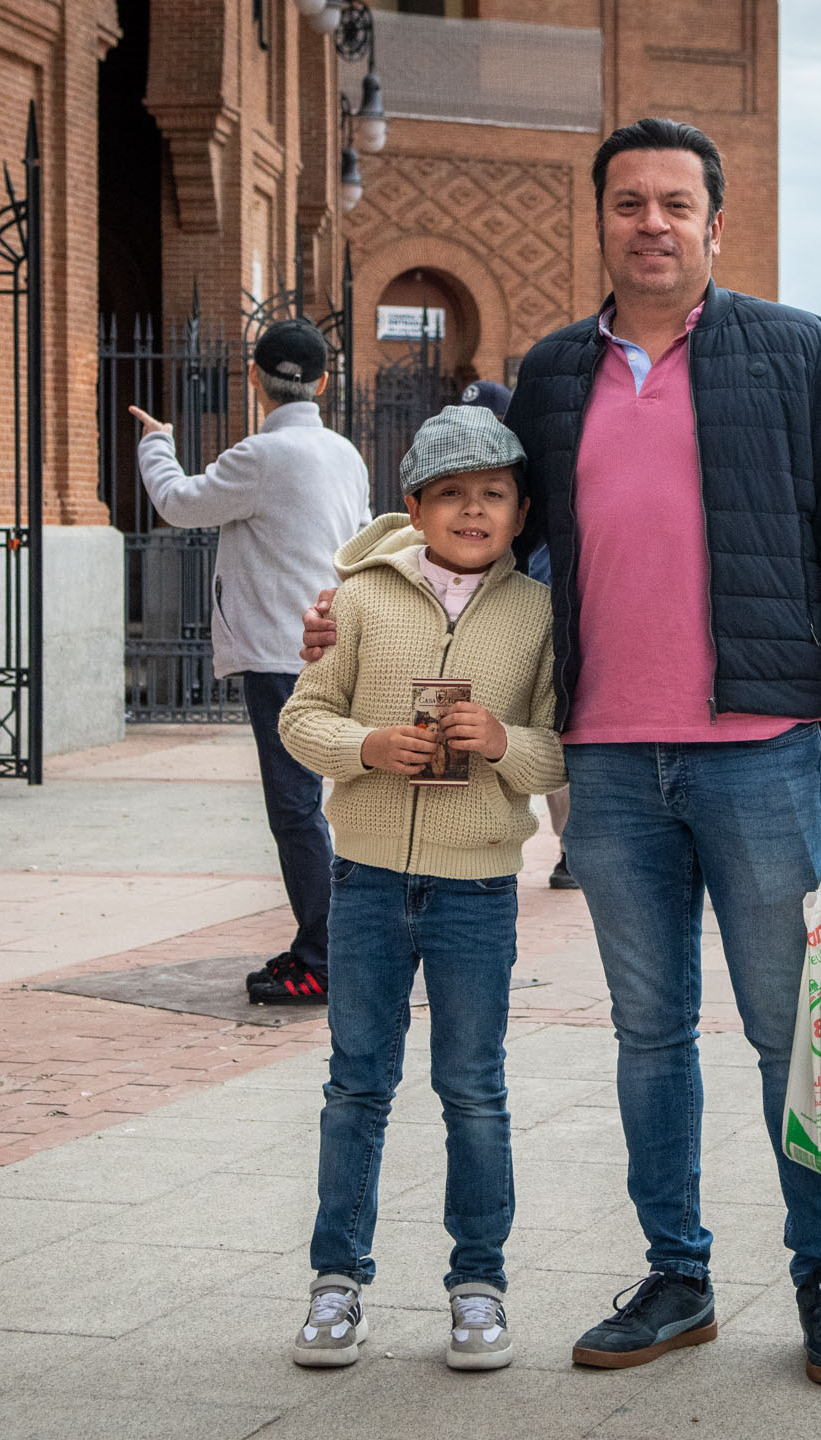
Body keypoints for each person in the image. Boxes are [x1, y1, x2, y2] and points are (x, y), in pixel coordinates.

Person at [304, 116, 821, 1385]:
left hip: (759, 748)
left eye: (676, 204)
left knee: (785, 1032)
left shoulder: (796, 349)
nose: (653, 224)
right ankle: (678, 1276)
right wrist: (357, 591)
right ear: (603, 222)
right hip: (610, 761)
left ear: (715, 223)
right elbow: (486, 524)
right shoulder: (555, 370)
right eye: (630, 203)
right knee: (650, 1031)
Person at [277, 405, 564, 1372]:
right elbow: (302, 718)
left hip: (477, 890)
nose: (472, 511)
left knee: (472, 1088)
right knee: (356, 1084)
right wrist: (365, 746)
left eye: (493, 494)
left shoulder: (538, 615)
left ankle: (478, 1289)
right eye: (451, 495)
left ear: (521, 510)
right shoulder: (358, 599)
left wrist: (506, 743)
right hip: (364, 879)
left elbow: (560, 751)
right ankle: (336, 1285)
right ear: (415, 505)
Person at [132, 319, 367, 1005]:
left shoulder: (262, 455)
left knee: (294, 809)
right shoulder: (344, 454)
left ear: (255, 379)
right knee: (329, 805)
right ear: (324, 382)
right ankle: (339, 943)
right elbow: (362, 542)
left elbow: (178, 503)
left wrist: (157, 442)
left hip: (277, 654)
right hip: (335, 645)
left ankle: (324, 956)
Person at [461, 377, 577, 890]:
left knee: (550, 732)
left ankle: (571, 847)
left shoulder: (535, 484)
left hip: (543, 618)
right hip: (483, 626)